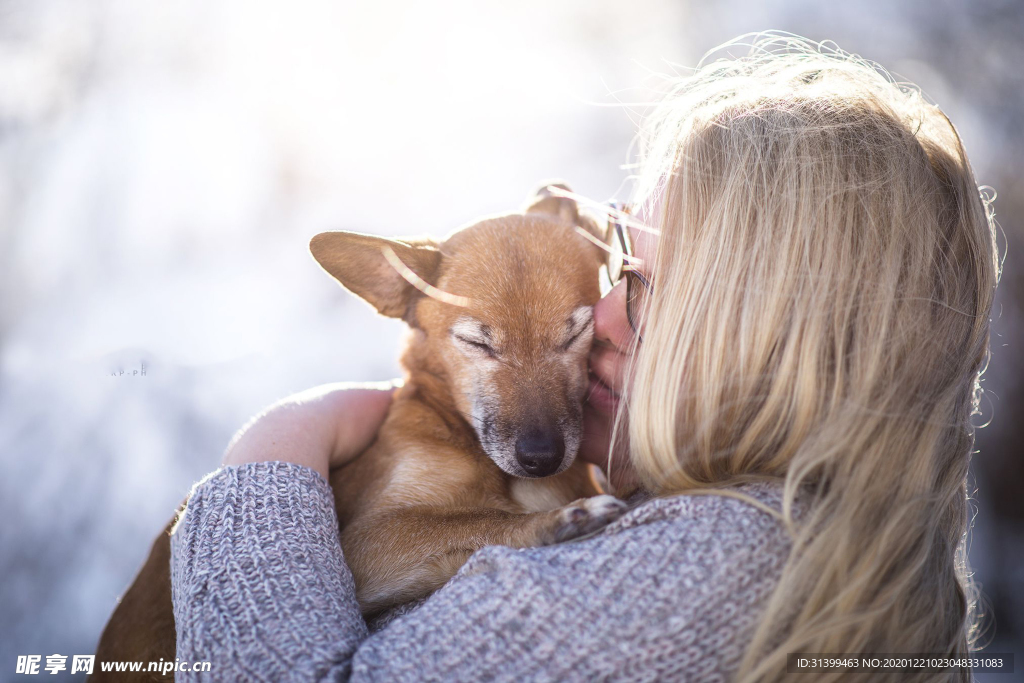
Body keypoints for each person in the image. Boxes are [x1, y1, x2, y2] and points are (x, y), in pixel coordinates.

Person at [169, 35, 999, 682]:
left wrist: (272, 451)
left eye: (641, 284)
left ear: (776, 336)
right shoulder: (774, 531)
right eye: (617, 267)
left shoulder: (711, 561)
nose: (601, 316)